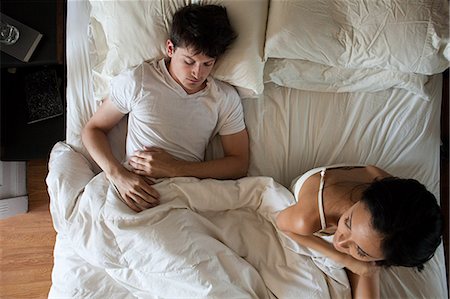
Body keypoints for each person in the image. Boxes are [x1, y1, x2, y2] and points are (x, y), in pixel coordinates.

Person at [81, 4, 249, 213]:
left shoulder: (224, 98)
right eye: (189, 61)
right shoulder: (139, 80)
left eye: (207, 64)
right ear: (170, 49)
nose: (198, 73)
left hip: (186, 195)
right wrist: (117, 175)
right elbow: (92, 129)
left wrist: (175, 169)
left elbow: (239, 163)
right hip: (132, 189)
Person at [276, 165, 443, 299]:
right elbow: (282, 224)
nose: (340, 242)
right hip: (324, 198)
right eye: (348, 222)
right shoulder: (307, 219)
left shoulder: (395, 195)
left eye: (361, 251)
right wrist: (346, 260)